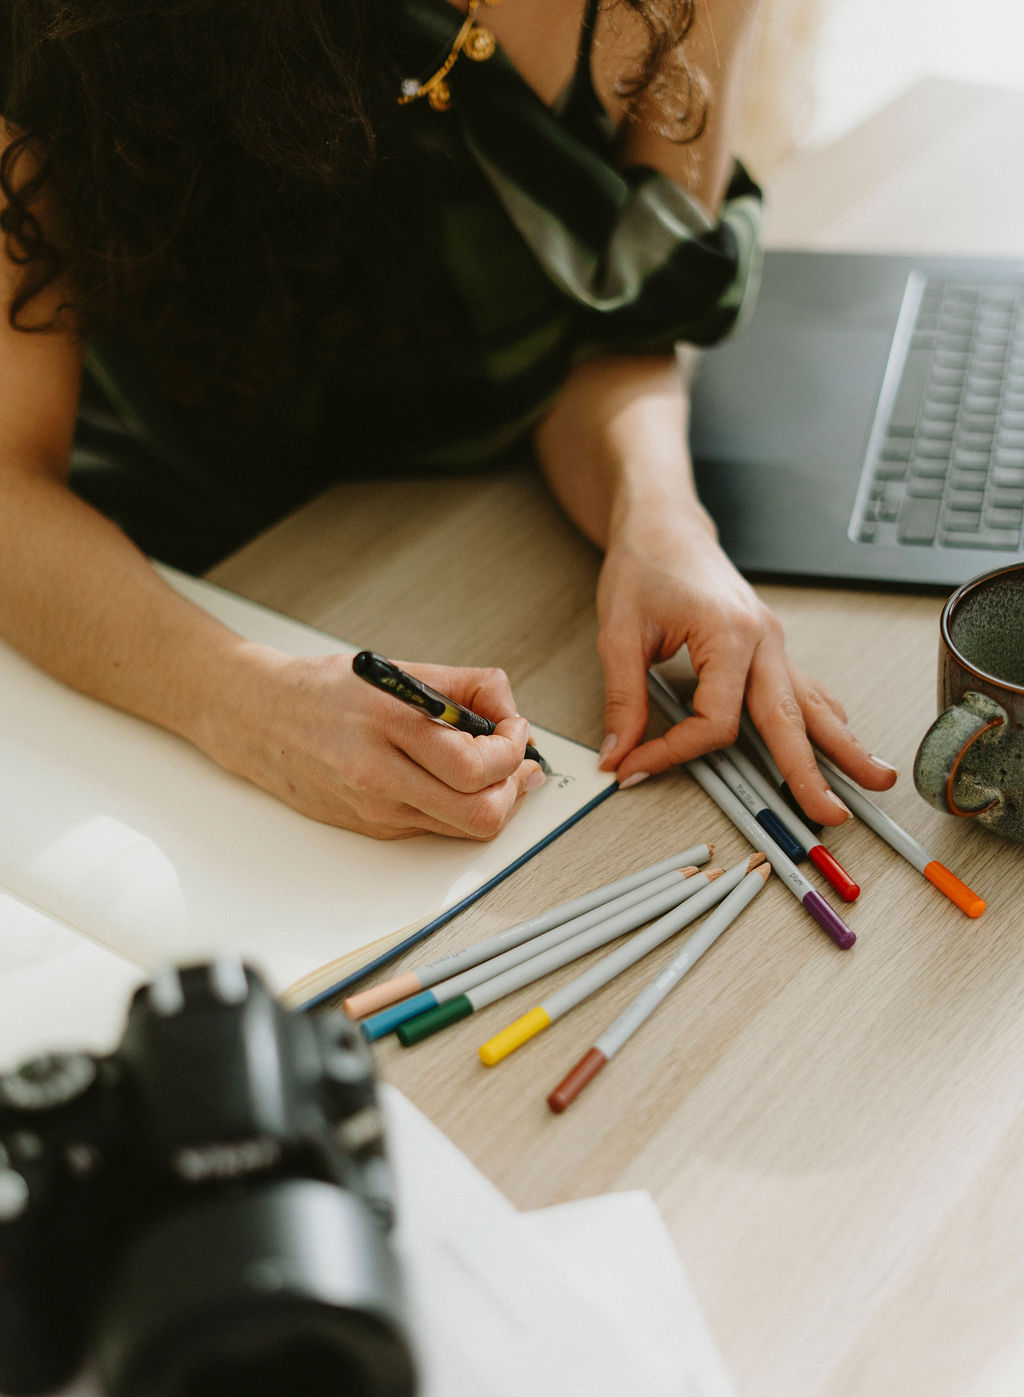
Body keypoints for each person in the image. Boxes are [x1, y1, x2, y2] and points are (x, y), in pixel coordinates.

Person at [0, 0, 896, 841]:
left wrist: (660, 518)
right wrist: (246, 704)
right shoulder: (62, 29)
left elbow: (606, 321)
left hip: (467, 540)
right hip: (162, 579)